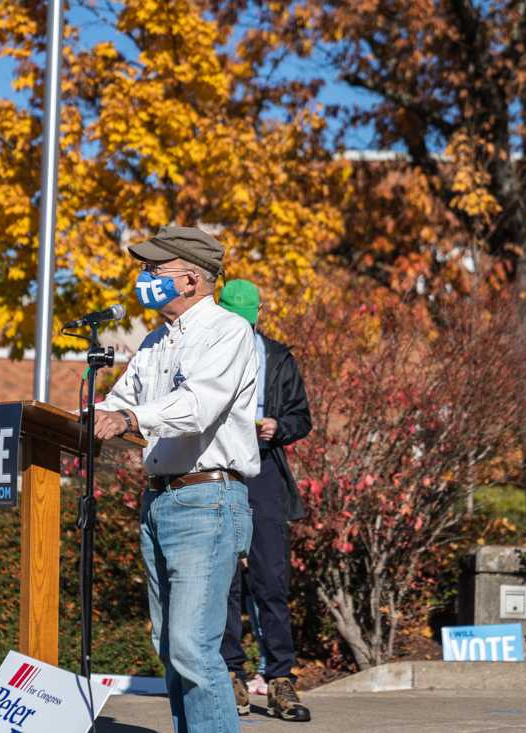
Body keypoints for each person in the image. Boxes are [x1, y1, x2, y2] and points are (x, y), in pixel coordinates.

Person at [93, 226, 257, 733]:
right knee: (170, 646)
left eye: (153, 270)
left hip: (208, 498)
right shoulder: (155, 342)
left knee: (192, 646)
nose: (143, 279)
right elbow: (120, 402)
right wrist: (87, 417)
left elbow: (198, 405)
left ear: (190, 279)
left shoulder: (228, 331)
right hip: (160, 501)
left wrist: (130, 420)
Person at [217, 279, 312, 723]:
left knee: (271, 580)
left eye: (244, 319)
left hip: (264, 468)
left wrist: (278, 426)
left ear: (257, 315)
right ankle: (231, 674)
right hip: (217, 468)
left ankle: (279, 678)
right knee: (223, 582)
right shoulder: (207, 352)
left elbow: (301, 417)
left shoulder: (277, 358)